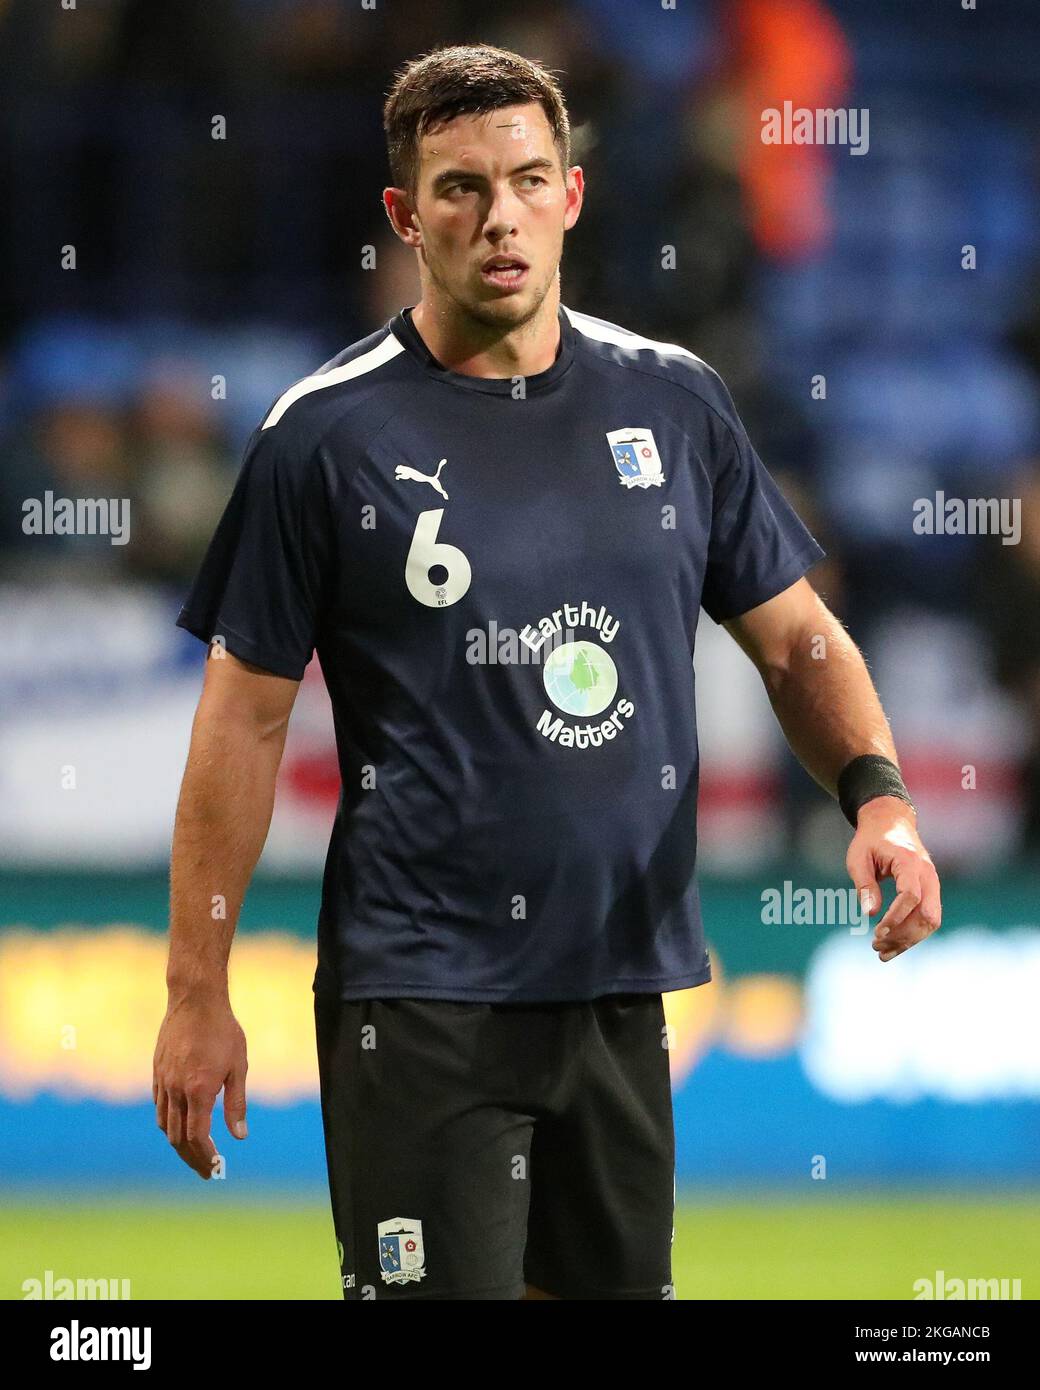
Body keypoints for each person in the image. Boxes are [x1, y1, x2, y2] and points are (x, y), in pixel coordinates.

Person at [153, 43, 941, 1301]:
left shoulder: (674, 405)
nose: (499, 216)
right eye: (460, 189)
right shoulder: (323, 438)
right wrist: (197, 992)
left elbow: (795, 637)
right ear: (406, 219)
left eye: (527, 180)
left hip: (620, 989)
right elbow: (240, 726)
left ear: (571, 195)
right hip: (417, 1001)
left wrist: (879, 798)